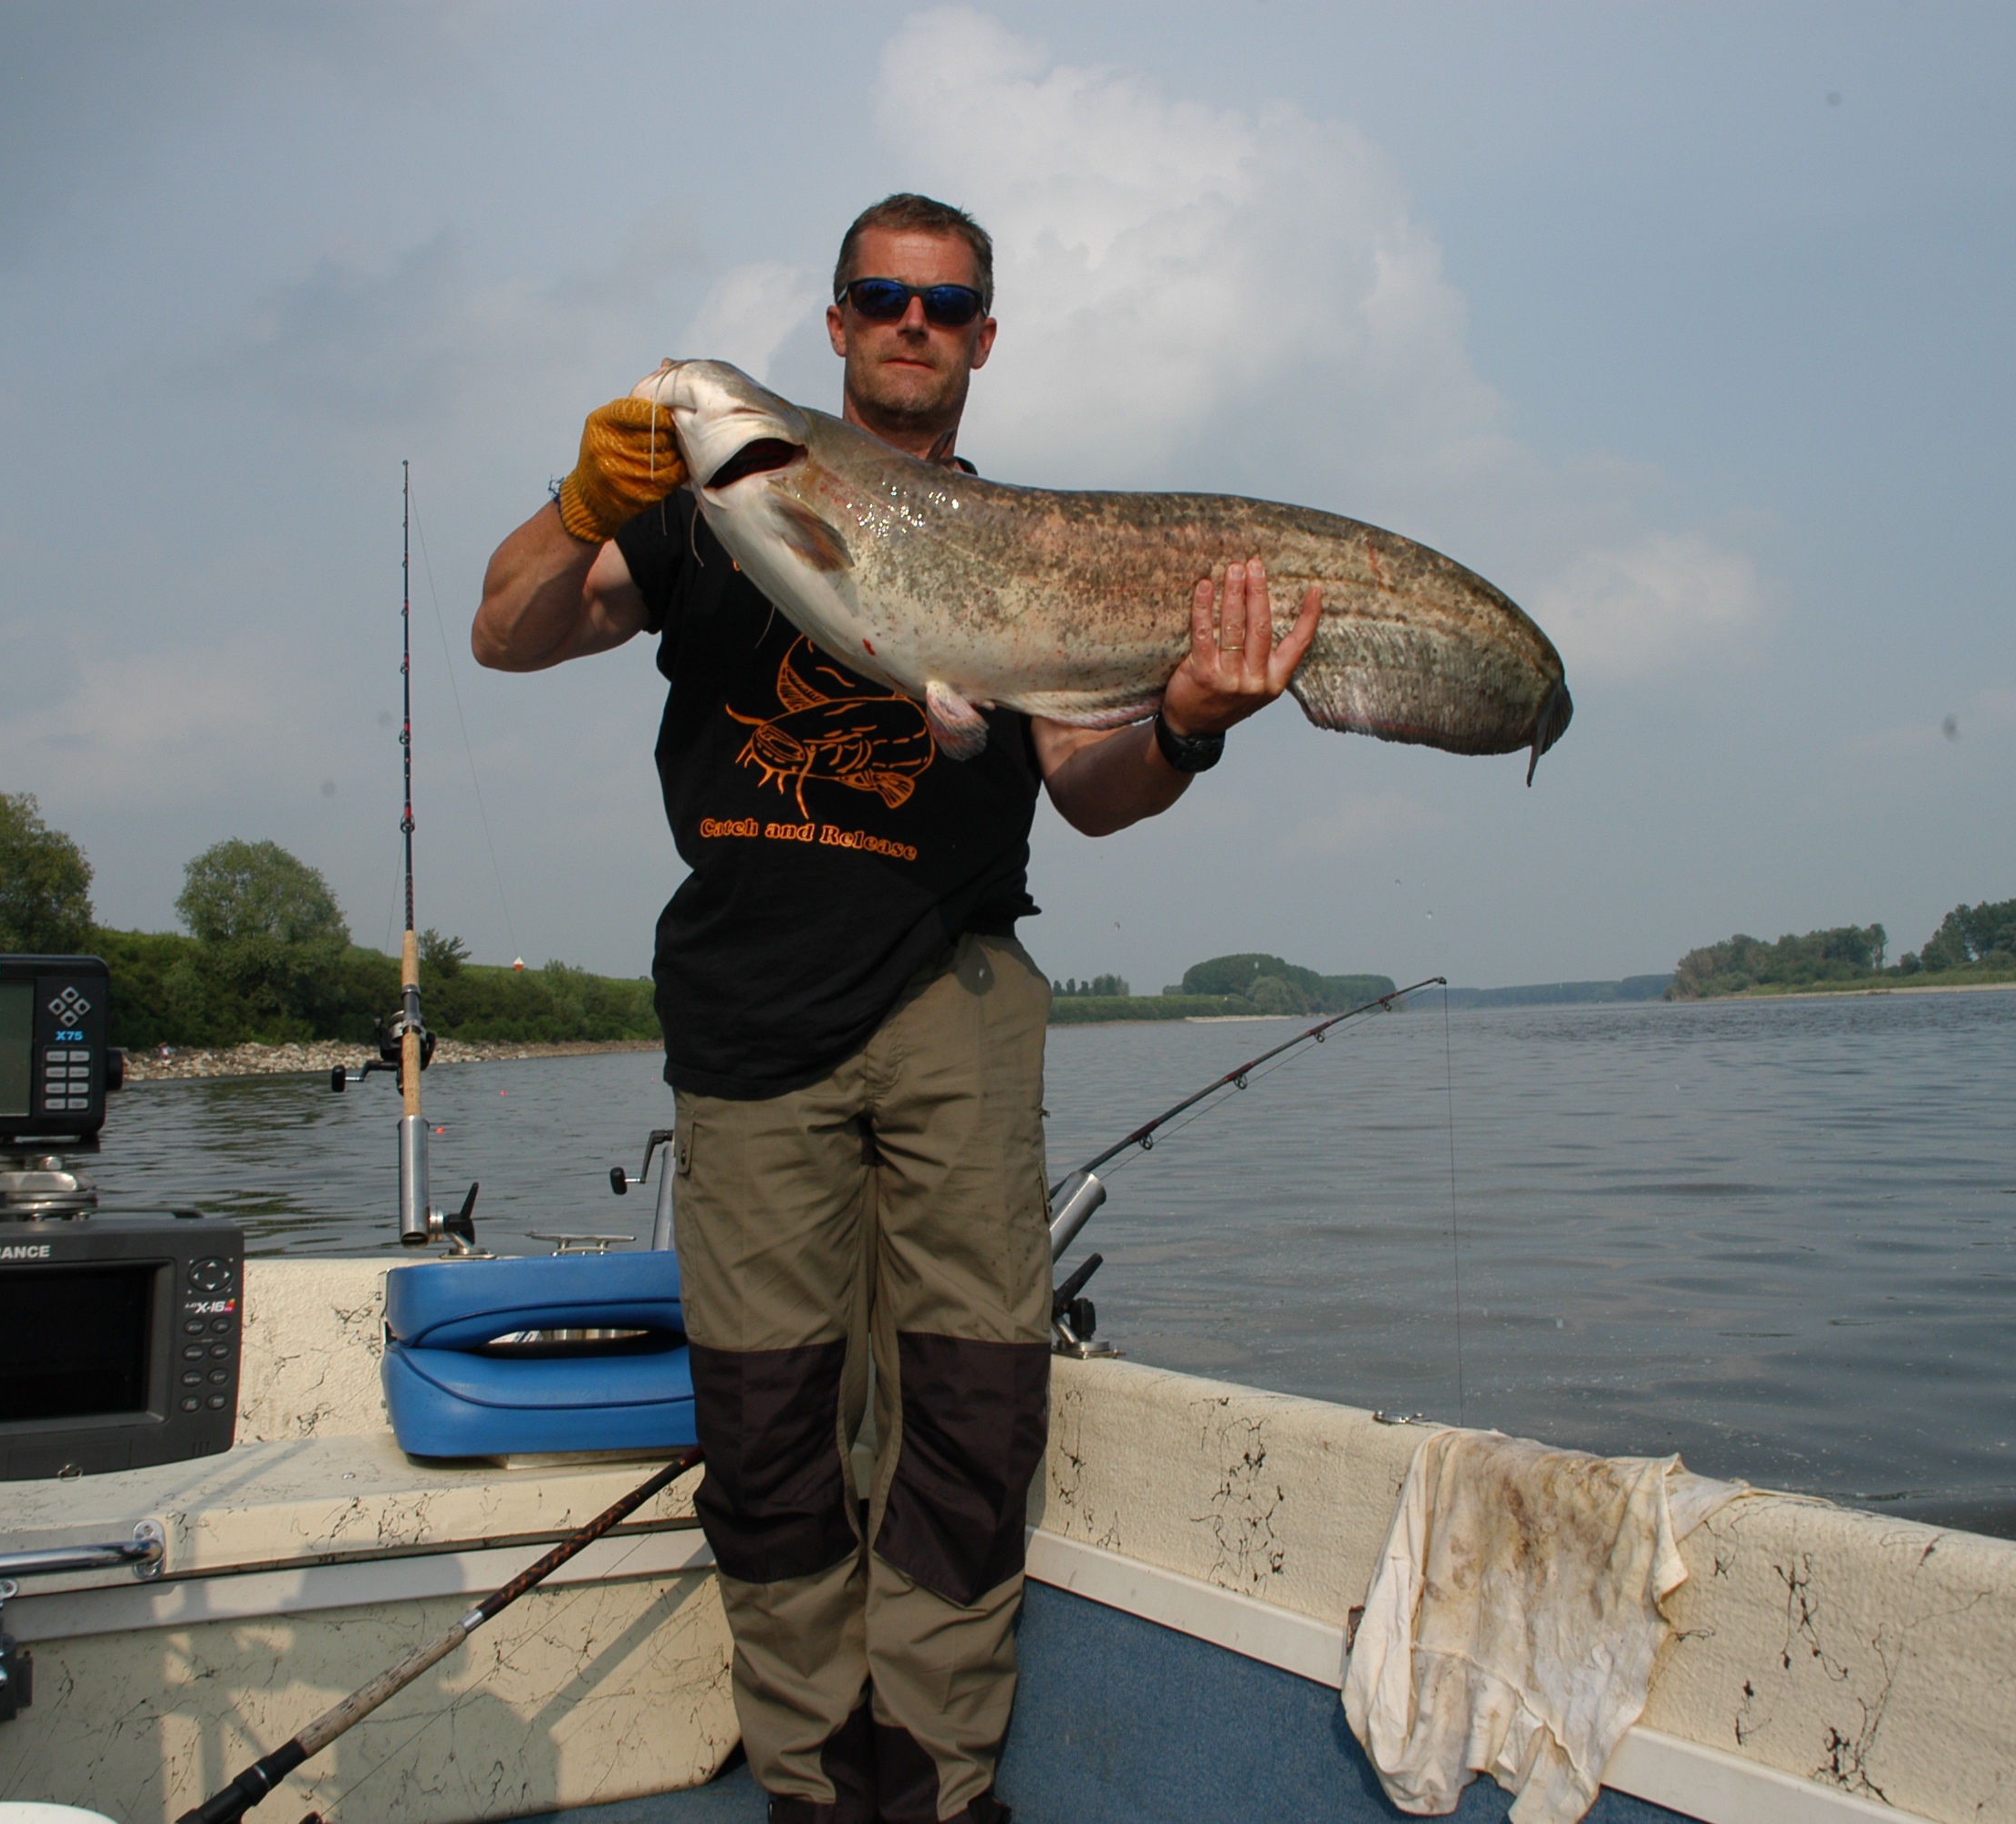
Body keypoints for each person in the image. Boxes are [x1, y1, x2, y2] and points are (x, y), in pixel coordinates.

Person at [474, 193, 1320, 1824]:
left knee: (973, 1408)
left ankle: (937, 1781)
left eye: (942, 304)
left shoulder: (1025, 548)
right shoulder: (706, 508)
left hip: (956, 991)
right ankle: (808, 1781)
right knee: (768, 1420)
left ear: (984, 336)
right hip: (746, 1001)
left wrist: (1191, 725)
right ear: (836, 325)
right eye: (881, 296)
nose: (911, 323)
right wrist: (581, 501)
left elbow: (1092, 791)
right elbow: (507, 630)